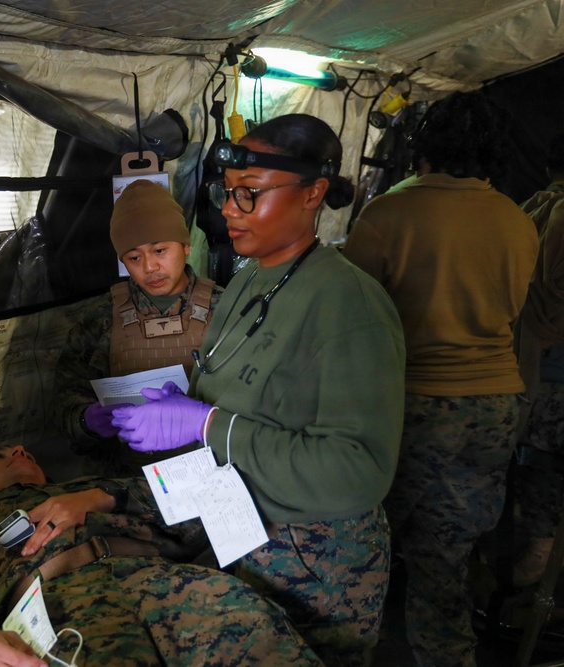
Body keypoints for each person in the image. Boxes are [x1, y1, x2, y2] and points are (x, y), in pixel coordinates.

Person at [111, 114, 406, 667]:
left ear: (312, 193)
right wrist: (175, 415)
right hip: (243, 535)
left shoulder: (348, 304)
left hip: (315, 567)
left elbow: (357, 471)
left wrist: (203, 423)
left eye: (250, 195)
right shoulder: (247, 278)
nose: (228, 209)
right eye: (227, 193)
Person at [343, 91, 539, 667]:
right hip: (496, 405)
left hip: (415, 402)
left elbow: (350, 314)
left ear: (423, 146)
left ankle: (354, 649)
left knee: (369, 541)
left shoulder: (388, 214)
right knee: (446, 554)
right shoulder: (516, 219)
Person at [0, 444, 325, 667]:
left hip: (175, 584)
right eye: (0, 455)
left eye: (25, 452)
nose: (20, 452)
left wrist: (102, 496)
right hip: (63, 613)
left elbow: (192, 498)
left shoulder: (89, 486)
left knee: (260, 641)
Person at [51, 179, 223, 475]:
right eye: (134, 257)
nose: (149, 267)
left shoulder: (227, 309)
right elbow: (65, 400)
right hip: (129, 482)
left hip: (215, 473)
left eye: (159, 250)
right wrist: (86, 420)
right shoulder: (99, 319)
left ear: (185, 246)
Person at [511, 133, 564, 588]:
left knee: (539, 466)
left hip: (539, 367)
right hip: (550, 367)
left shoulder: (531, 210)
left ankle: (538, 552)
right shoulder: (553, 211)